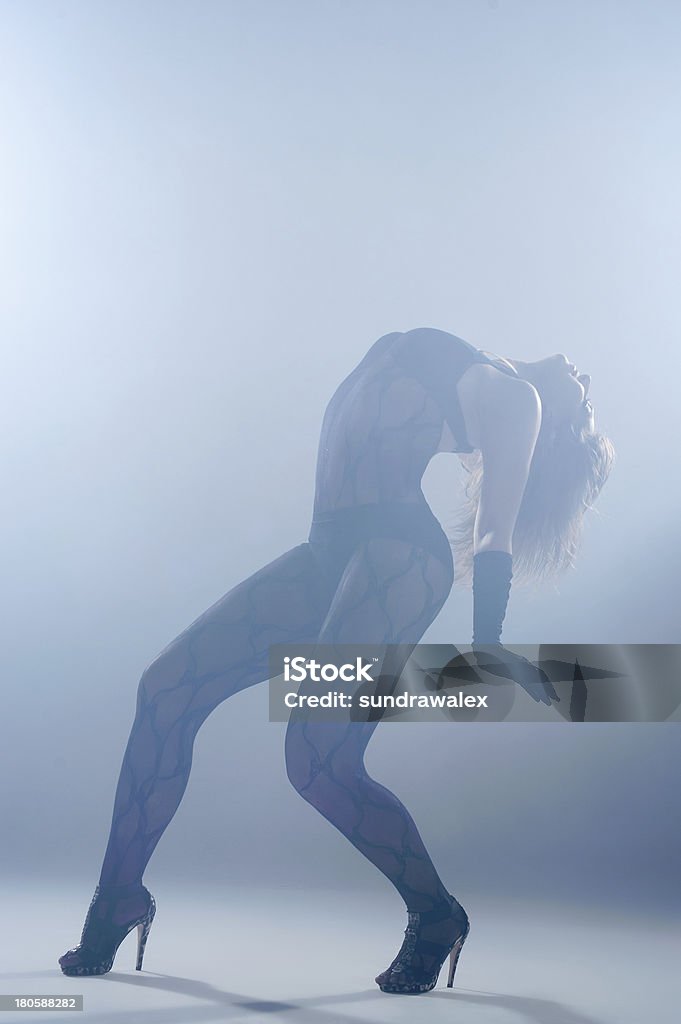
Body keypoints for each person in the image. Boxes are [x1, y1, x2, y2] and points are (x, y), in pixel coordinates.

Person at [58, 327, 614, 993]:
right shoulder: (481, 365)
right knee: (165, 691)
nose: (584, 382)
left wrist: (487, 643)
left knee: (318, 764)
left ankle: (435, 915)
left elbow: (495, 530)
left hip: (395, 563)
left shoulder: (518, 398)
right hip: (327, 555)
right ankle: (117, 898)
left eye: (582, 401)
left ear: (551, 420)